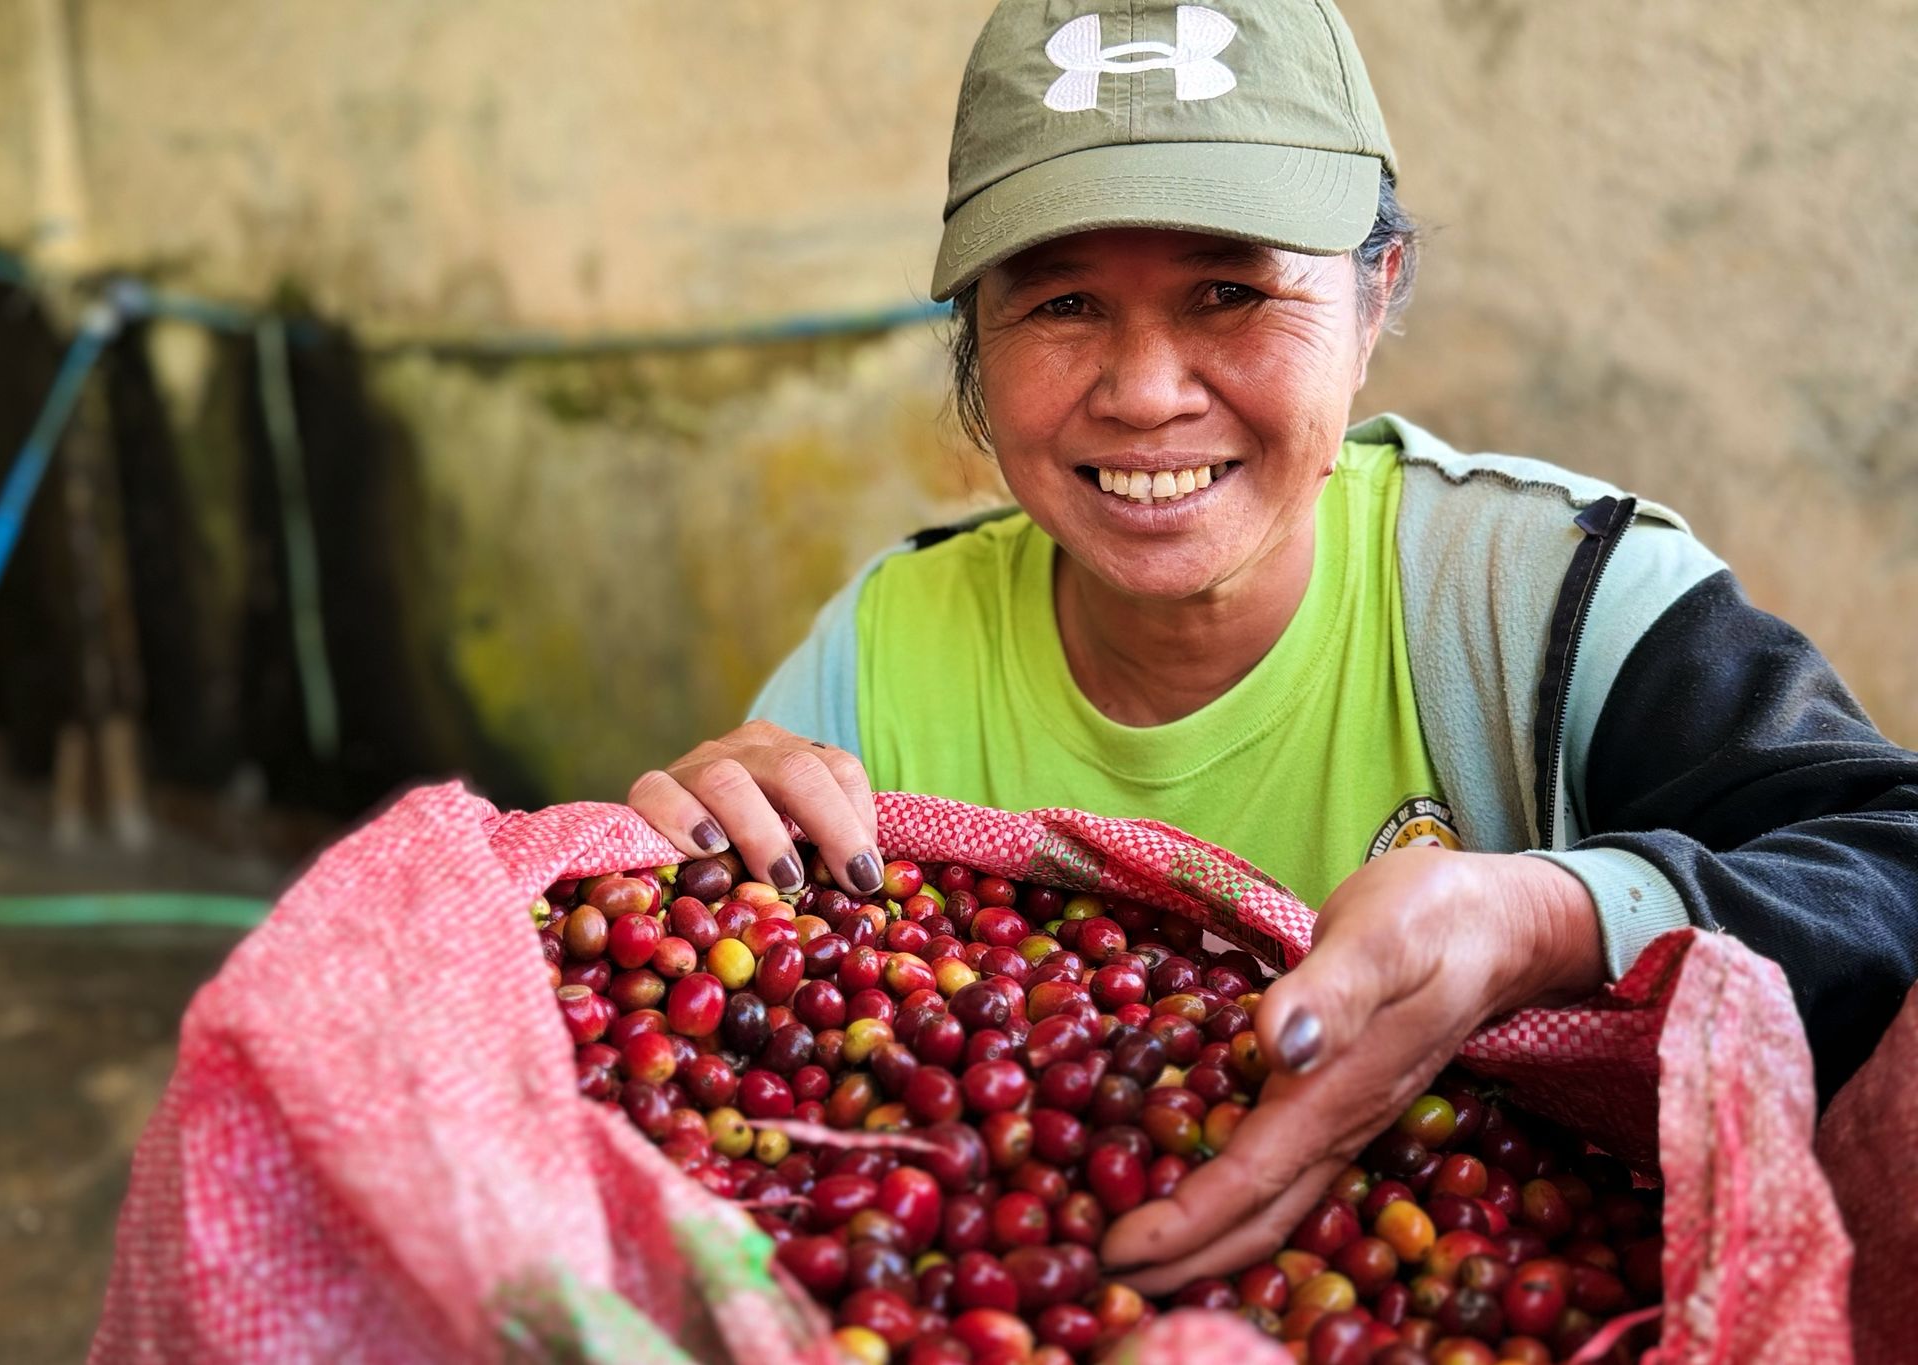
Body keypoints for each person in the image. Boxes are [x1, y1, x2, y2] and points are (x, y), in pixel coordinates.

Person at [627, 0, 1918, 1292]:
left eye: (1230, 291)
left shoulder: (1549, 594)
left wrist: (1542, 917)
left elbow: (1885, 868)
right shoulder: (883, 654)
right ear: (975, 334)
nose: (1144, 391)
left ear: (1375, 296)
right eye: (1063, 301)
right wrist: (689, 853)